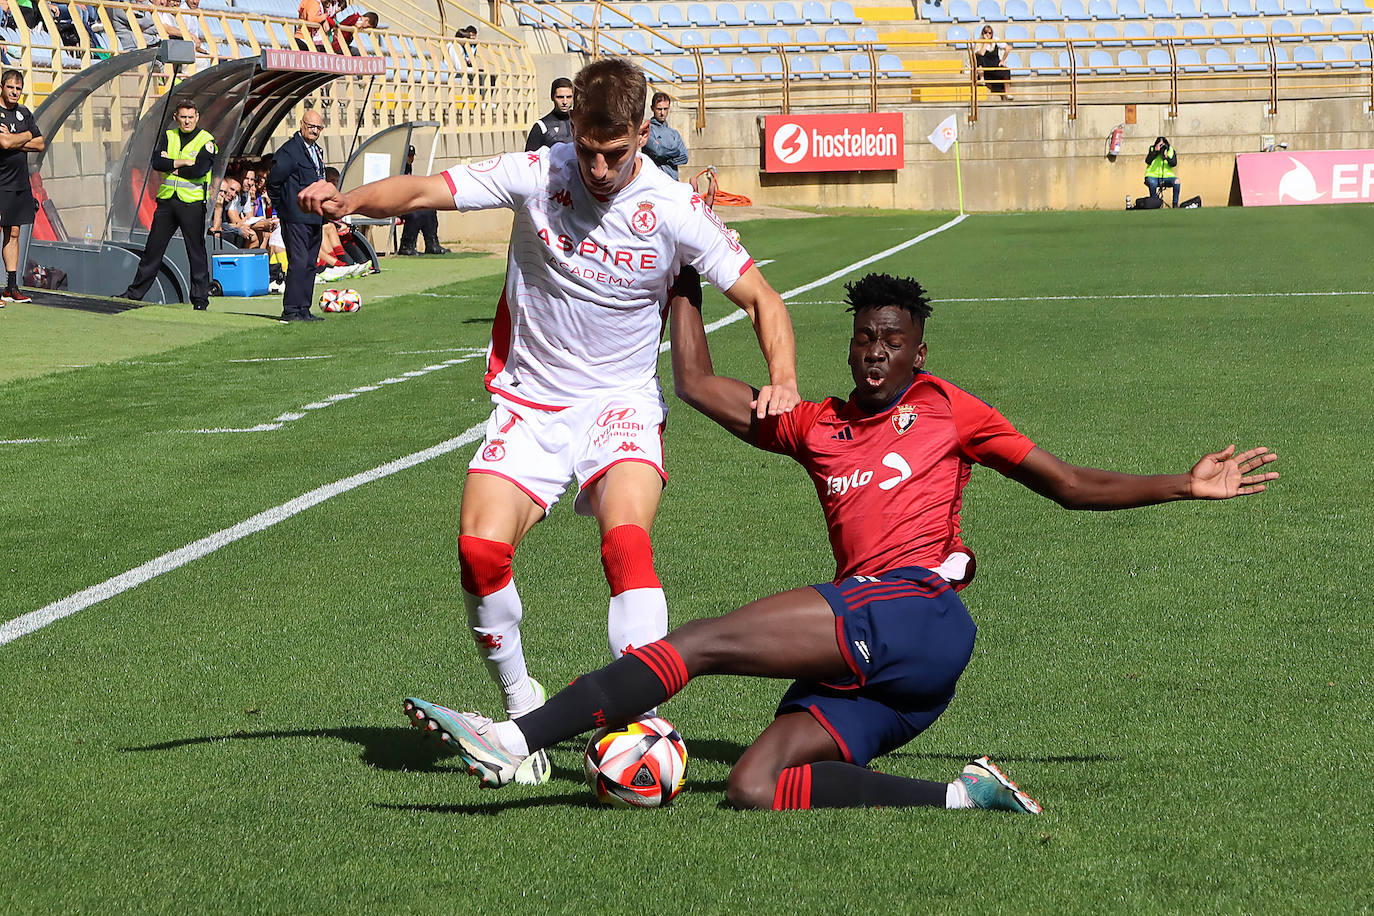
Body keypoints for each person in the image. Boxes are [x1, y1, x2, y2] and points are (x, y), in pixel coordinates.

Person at [404, 268, 1281, 812]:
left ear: (917, 352)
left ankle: (517, 739)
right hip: (887, 669)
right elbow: (698, 381)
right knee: (755, 785)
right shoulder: (815, 426)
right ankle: (959, 795)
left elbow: (1069, 485)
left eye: (890, 343)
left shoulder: (949, 411)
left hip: (918, 615)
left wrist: (1181, 482)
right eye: (863, 338)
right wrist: (680, 273)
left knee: (700, 644)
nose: (873, 354)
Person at [298, 57, 800, 787]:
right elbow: (426, 188)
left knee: (626, 544)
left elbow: (765, 302)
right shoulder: (540, 171)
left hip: (621, 404)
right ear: (573, 131)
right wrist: (350, 202)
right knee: (477, 554)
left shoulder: (675, 210)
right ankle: (519, 705)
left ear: (642, 132)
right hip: (532, 401)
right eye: (589, 150)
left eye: (615, 152)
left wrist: (782, 381)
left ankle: (641, 718)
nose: (598, 167)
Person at [121, 99, 216, 311]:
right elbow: (157, 163)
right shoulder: (169, 135)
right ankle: (135, 293)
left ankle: (200, 299)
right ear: (176, 118)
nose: (187, 121)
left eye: (191, 117)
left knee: (196, 251)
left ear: (197, 117)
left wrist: (171, 165)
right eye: (183, 117)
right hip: (167, 201)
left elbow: (199, 170)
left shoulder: (206, 139)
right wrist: (182, 162)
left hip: (191, 202)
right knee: (153, 248)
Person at [266, 109, 327, 321]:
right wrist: (283, 207)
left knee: (311, 264)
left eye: (318, 127)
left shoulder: (317, 151)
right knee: (299, 262)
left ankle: (304, 309)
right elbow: (273, 182)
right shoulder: (290, 151)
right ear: (301, 125)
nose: (314, 131)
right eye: (311, 126)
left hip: (314, 216)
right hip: (295, 216)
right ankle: (290, 310)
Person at [0, 69, 43, 305]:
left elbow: (40, 143)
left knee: (13, 233)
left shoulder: (24, 113)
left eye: (18, 88)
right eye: (10, 87)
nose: (15, 92)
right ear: (1, 87)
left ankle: (11, 287)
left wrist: (19, 138)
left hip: (19, 183)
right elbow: (3, 142)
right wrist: (26, 136)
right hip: (0, 183)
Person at [396, 145, 447, 256]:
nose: (410, 159)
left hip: (407, 202)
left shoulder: (408, 167)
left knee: (429, 210)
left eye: (412, 156)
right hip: (396, 205)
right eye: (408, 156)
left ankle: (432, 244)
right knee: (416, 214)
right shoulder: (398, 168)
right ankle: (406, 246)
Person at [643, 92, 688, 180]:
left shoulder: (674, 133)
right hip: (654, 181)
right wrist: (675, 153)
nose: (662, 113)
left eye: (665, 109)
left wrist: (665, 159)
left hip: (673, 181)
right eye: (659, 109)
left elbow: (685, 157)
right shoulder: (647, 130)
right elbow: (658, 152)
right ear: (652, 109)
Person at [523, 77, 573, 152]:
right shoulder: (541, 126)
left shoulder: (581, 123)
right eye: (560, 97)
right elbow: (529, 159)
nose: (565, 101)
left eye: (569, 97)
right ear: (552, 97)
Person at [974, 26, 1012, 101]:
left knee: (1006, 71)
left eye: (989, 33)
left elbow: (1007, 48)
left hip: (995, 64)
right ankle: (982, 78)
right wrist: (985, 42)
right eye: (985, 32)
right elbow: (981, 53)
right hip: (985, 66)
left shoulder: (995, 40)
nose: (988, 34)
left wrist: (1003, 61)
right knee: (980, 57)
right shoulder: (979, 43)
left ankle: (1007, 93)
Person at [207, 173, 243, 247]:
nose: (223, 195)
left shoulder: (221, 204)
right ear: (211, 189)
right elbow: (215, 233)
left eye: (225, 192)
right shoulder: (205, 205)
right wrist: (218, 208)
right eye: (220, 191)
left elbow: (218, 229)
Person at [1144, 136, 1181, 208]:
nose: (1161, 147)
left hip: (1168, 177)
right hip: (1152, 176)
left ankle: (1175, 204)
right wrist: (1155, 152)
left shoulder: (1170, 150)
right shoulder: (1152, 149)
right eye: (1160, 145)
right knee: (1152, 183)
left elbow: (1174, 163)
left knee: (1177, 181)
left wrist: (1166, 157)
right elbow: (1147, 161)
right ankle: (1154, 203)